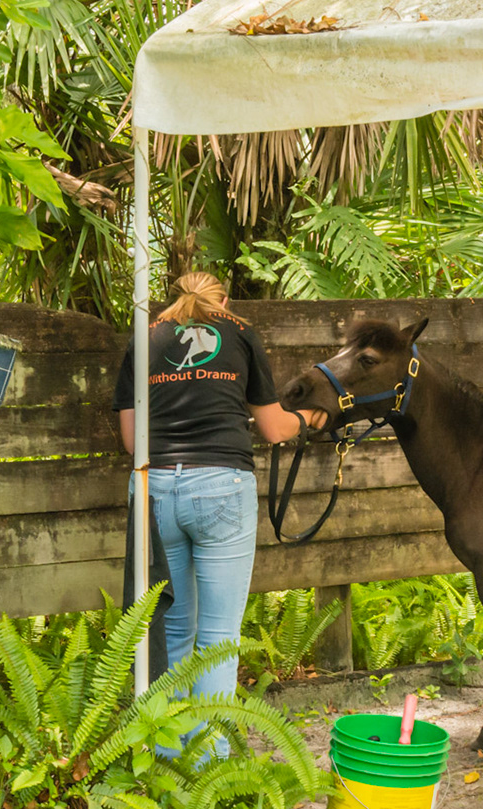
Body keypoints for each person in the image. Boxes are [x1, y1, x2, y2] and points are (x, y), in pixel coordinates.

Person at [112, 272, 323, 749]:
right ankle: (211, 768)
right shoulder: (241, 333)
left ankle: (168, 764)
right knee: (219, 639)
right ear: (223, 302)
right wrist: (312, 416)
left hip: (157, 490)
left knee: (174, 633)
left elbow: (131, 441)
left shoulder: (145, 338)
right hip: (222, 488)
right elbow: (273, 428)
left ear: (175, 298)